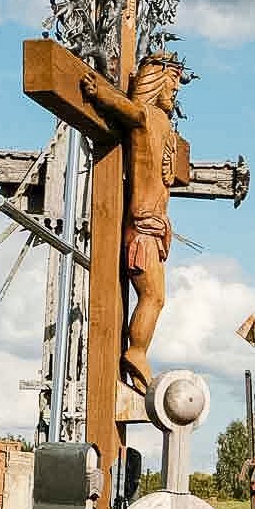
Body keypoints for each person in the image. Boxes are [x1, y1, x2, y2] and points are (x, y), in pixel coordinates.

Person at [81, 54, 184, 391]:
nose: (175, 93)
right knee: (153, 296)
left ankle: (138, 351)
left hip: (154, 228)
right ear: (155, 82)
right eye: (172, 84)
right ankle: (136, 352)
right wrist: (99, 92)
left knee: (155, 296)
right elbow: (128, 109)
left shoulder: (164, 125)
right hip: (142, 227)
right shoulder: (145, 117)